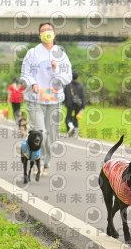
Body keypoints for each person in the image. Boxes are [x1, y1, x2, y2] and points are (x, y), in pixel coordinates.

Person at [21, 22, 72, 176]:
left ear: (54, 34)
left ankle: (46, 163)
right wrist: (33, 83)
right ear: (39, 35)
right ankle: (38, 161)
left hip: (54, 99)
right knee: (40, 132)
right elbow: (25, 74)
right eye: (43, 30)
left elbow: (68, 77)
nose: (46, 32)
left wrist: (56, 69)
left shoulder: (61, 55)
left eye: (49, 30)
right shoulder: (32, 53)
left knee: (52, 135)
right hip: (35, 99)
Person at [63, 71, 85, 138]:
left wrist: (65, 103)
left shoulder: (68, 85)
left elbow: (65, 95)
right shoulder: (80, 86)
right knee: (76, 118)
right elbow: (83, 96)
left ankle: (71, 127)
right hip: (78, 104)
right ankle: (76, 134)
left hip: (70, 104)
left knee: (68, 118)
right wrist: (83, 106)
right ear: (77, 77)